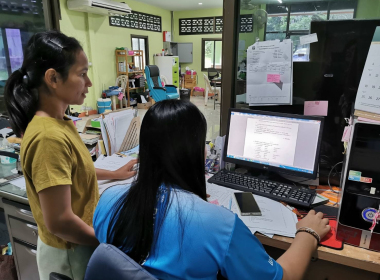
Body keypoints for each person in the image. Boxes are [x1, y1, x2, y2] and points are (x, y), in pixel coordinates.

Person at [93, 99, 330, 280]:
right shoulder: (219, 225)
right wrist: (308, 233)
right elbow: (282, 277)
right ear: (194, 152)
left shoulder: (107, 200)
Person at [4, 31, 137, 280]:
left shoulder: (61, 122)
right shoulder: (48, 137)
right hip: (70, 254)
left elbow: (72, 171)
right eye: (82, 74)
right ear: (53, 78)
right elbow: (60, 221)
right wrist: (105, 243)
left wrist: (115, 173)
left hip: (77, 244)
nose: (88, 83)